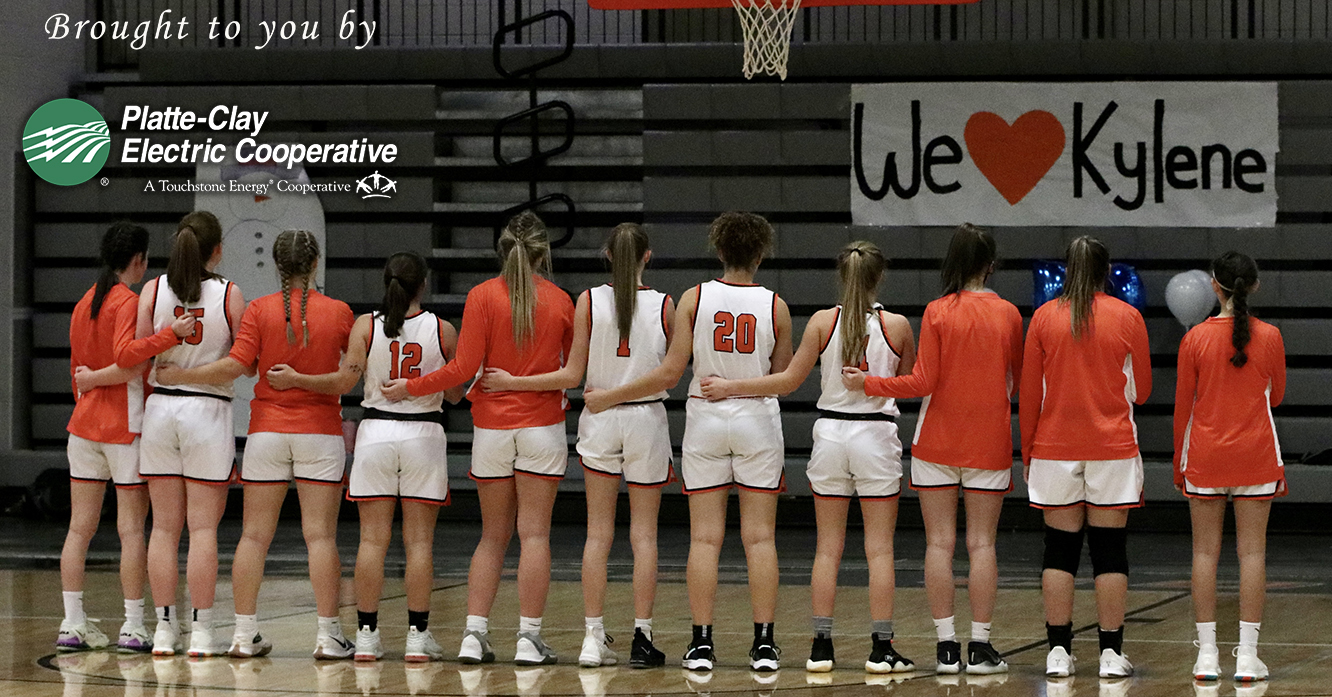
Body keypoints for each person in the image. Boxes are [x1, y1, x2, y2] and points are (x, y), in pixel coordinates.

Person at [584, 211, 793, 672]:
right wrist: (740, 385)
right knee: (760, 538)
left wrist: (610, 396)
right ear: (761, 255)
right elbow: (780, 379)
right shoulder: (775, 305)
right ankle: (764, 644)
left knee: (705, 538)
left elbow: (672, 371)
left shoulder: (694, 298)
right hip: (757, 421)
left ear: (718, 251)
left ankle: (700, 644)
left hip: (707, 420)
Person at [702, 241, 917, 674]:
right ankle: (881, 647)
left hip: (831, 435)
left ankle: (821, 646)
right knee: (879, 550)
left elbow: (786, 381)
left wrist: (729, 388)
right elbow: (911, 382)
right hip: (875, 436)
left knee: (827, 548)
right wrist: (872, 382)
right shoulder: (897, 325)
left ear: (842, 275)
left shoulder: (822, 321)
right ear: (879, 277)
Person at [382, 212, 574, 666]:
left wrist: (410, 387)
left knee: (492, 536)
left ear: (502, 250)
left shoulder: (482, 296)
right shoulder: (562, 301)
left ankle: (474, 634)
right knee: (534, 535)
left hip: (492, 429)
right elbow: (570, 370)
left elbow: (462, 370)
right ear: (543, 252)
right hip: (542, 426)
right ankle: (528, 639)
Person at [156, 229, 355, 659]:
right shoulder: (339, 312)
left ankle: (244, 635)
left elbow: (235, 366)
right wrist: (306, 380)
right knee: (320, 537)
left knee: (253, 537)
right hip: (319, 432)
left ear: (278, 265)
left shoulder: (260, 310)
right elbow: (350, 376)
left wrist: (180, 376)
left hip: (266, 432)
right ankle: (329, 635)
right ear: (315, 263)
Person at [480, 223, 673, 669]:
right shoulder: (666, 304)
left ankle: (592, 638)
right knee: (644, 536)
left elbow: (571, 376)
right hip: (645, 419)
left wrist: (511, 382)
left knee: (597, 535)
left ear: (607, 254)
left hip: (600, 419)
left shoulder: (587, 300)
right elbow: (669, 373)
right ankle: (642, 637)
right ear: (647, 257)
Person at [264, 252, 465, 662]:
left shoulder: (365, 325)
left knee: (371, 541)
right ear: (423, 285)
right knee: (419, 542)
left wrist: (296, 379)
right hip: (423, 434)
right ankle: (417, 637)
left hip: (375, 434)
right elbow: (456, 395)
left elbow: (344, 381)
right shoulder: (442, 329)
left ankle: (368, 636)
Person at [841, 224, 1021, 675]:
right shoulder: (1009, 314)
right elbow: (1014, 380)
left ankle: (945, 649)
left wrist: (869, 384)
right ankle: (980, 647)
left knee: (938, 544)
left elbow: (922, 382)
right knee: (982, 544)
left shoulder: (938, 311)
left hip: (936, 441)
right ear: (990, 265)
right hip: (989, 441)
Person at [84, 212, 246, 657]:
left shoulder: (152, 290)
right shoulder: (230, 294)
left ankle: (164, 630)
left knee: (163, 530)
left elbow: (135, 357)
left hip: (160, 412)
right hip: (207, 412)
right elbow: (243, 363)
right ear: (217, 250)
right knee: (203, 530)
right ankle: (203, 633)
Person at [1020, 236, 1151, 680]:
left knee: (1059, 549)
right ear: (1105, 271)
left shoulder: (1043, 317)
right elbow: (1143, 391)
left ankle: (1058, 652)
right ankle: (1111, 654)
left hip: (1053, 448)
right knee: (1109, 551)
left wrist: (1028, 451)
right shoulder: (1128, 316)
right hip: (1112, 448)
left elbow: (1029, 394)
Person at [59, 222, 191, 653]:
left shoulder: (83, 302)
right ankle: (133, 626)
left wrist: (92, 385)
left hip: (83, 428)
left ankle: (72, 623)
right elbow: (129, 361)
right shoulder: (128, 301)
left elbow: (77, 373)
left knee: (79, 529)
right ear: (138, 260)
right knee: (131, 530)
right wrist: (170, 335)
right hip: (123, 428)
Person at [1174, 252, 1285, 683]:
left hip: (1205, 457)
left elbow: (1183, 408)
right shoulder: (1271, 336)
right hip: (1256, 455)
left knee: (1204, 553)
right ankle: (1247, 657)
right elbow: (1277, 396)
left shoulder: (1195, 339)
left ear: (1214, 287)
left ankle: (1206, 656)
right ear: (1254, 286)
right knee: (1252, 553)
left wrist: (1179, 465)